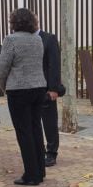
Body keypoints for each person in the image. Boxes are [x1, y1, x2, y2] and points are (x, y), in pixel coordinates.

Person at [0, 8, 47, 186]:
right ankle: (40, 170)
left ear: (14, 22)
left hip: (19, 90)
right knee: (35, 129)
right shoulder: (38, 39)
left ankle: (31, 175)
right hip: (39, 87)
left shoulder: (11, 40)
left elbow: (3, 68)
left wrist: (3, 87)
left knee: (23, 132)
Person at [37, 24, 64, 167]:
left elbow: (54, 65)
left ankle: (51, 153)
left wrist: (54, 88)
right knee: (33, 124)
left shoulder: (48, 38)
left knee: (50, 123)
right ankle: (38, 152)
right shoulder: (24, 39)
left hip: (46, 90)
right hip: (29, 89)